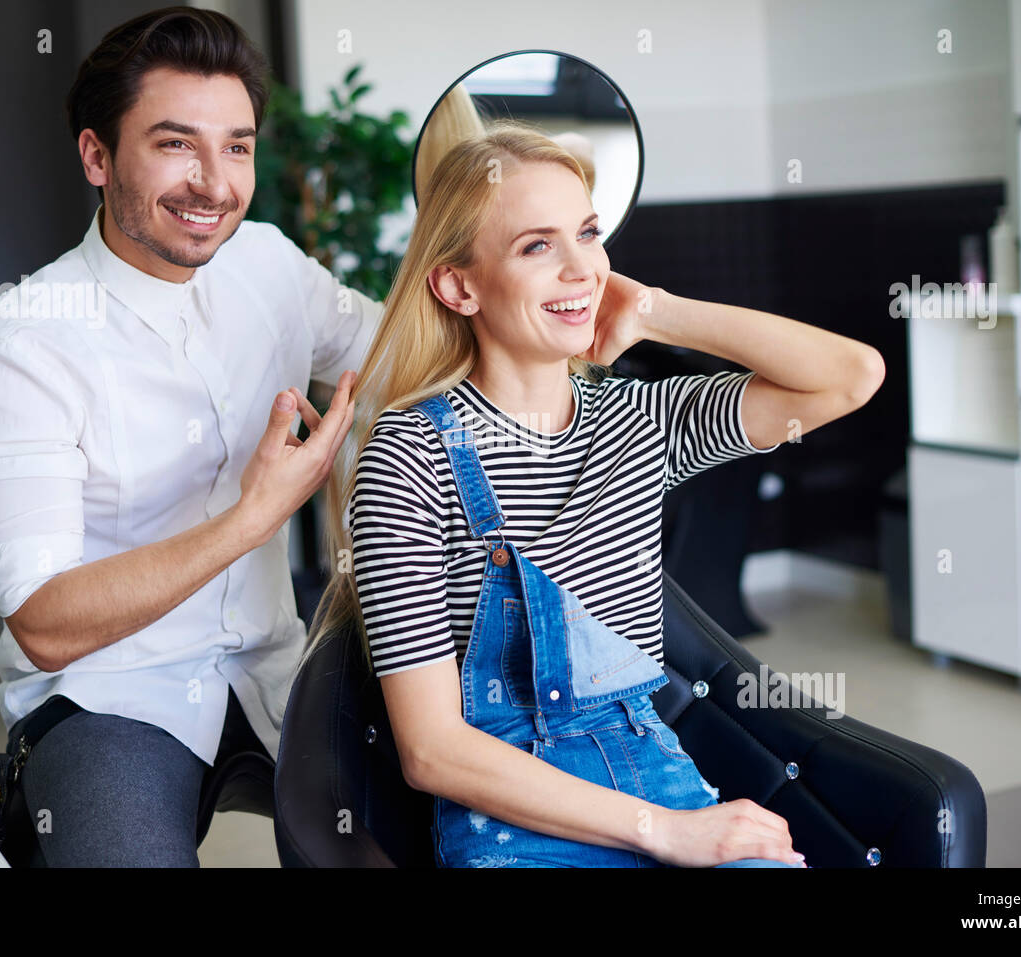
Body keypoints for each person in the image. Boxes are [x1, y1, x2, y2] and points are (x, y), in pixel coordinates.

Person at [305, 119, 885, 867]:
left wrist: (654, 310)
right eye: (537, 245)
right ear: (459, 285)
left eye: (588, 233)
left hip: (656, 773)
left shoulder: (639, 420)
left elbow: (850, 376)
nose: (582, 269)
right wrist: (668, 833)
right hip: (514, 817)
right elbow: (433, 750)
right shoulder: (409, 455)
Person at [0, 7, 377, 866]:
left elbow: (395, 352)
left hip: (278, 662)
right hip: (112, 693)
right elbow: (47, 624)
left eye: (237, 146)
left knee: (446, 823)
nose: (214, 183)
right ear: (97, 156)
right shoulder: (14, 349)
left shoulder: (268, 263)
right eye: (176, 144)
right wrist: (253, 518)